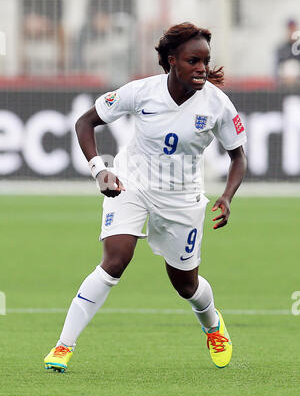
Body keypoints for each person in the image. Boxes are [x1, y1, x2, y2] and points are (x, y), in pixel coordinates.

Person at [44, 22, 247, 372]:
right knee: (115, 261)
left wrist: (227, 196)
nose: (201, 68)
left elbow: (238, 157)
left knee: (186, 285)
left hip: (182, 198)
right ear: (172, 61)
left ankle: (213, 325)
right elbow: (85, 122)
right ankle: (63, 346)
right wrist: (99, 170)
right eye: (192, 60)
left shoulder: (217, 105)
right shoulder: (141, 92)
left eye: (205, 61)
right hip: (132, 184)